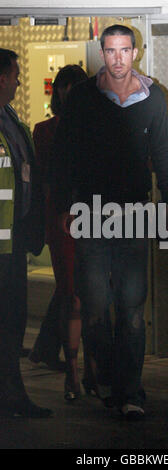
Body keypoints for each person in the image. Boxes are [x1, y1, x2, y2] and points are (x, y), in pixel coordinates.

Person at [51, 24, 168, 420]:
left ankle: (131, 391)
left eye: (125, 50)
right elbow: (64, 154)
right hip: (90, 214)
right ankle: (104, 379)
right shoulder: (85, 97)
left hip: (135, 215)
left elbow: (161, 154)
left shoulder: (154, 97)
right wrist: (63, 206)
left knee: (132, 310)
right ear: (102, 53)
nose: (118, 58)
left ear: (135, 52)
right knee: (94, 308)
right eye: (110, 51)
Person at [28, 65, 95, 400]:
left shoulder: (96, 128)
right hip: (62, 220)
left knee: (90, 297)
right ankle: (73, 373)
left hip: (94, 219)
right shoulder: (45, 130)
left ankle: (88, 369)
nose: (69, 97)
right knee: (72, 297)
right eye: (64, 91)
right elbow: (42, 182)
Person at [0, 48, 52, 418]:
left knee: (12, 321)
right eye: (16, 74)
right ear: (1, 77)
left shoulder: (10, 119)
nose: (19, 80)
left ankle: (12, 394)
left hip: (12, 242)